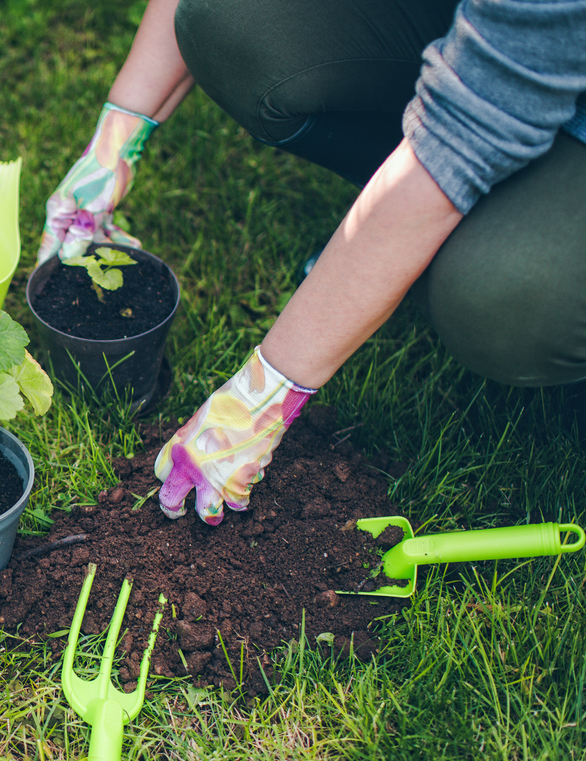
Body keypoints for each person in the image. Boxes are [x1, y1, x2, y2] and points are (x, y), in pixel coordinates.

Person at [39, 0, 586, 525]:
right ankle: (395, 229)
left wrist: (263, 395)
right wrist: (112, 147)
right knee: (227, 22)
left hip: (547, 73)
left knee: (502, 294)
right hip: (470, 31)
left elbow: (470, 129)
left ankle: (425, 234)